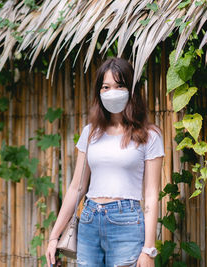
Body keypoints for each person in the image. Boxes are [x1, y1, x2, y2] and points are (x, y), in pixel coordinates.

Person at [46, 58, 164, 267]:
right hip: (90, 219)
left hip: (126, 222)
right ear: (99, 93)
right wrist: (54, 236)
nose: (112, 92)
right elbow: (77, 187)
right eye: (106, 87)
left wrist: (148, 249)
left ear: (132, 89)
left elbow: (152, 195)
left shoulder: (150, 135)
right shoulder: (91, 132)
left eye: (119, 86)